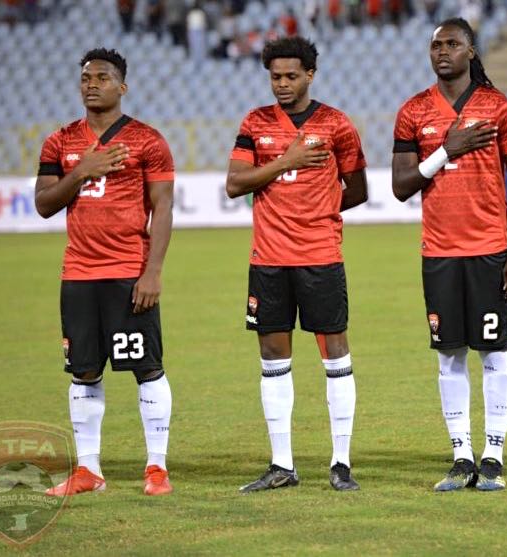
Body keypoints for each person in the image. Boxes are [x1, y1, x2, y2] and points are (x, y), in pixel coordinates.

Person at [391, 17, 507, 492]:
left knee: (493, 352)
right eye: (435, 45)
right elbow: (401, 187)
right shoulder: (413, 111)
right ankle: (461, 455)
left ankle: (493, 454)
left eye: (452, 44)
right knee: (449, 354)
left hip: (491, 249)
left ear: (471, 51)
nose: (442, 51)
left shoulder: (497, 107)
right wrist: (445, 151)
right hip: (440, 251)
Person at [226, 36, 369, 493]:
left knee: (336, 355)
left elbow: (359, 188)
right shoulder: (255, 123)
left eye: (290, 76)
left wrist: (318, 210)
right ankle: (282, 464)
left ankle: (341, 462)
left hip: (320, 257)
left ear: (310, 74)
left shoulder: (336, 125)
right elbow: (235, 184)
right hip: (268, 260)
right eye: (274, 76)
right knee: (272, 357)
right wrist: (285, 161)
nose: (282, 84)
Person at [34, 48, 176, 497]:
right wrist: (82, 172)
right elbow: (43, 204)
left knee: (146, 369)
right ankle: (88, 470)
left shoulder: (148, 140)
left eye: (101, 77)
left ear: (122, 86)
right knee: (83, 372)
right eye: (85, 77)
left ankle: (156, 467)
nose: (91, 83)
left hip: (128, 274)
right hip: (78, 274)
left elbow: (163, 207)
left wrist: (152, 272)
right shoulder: (59, 142)